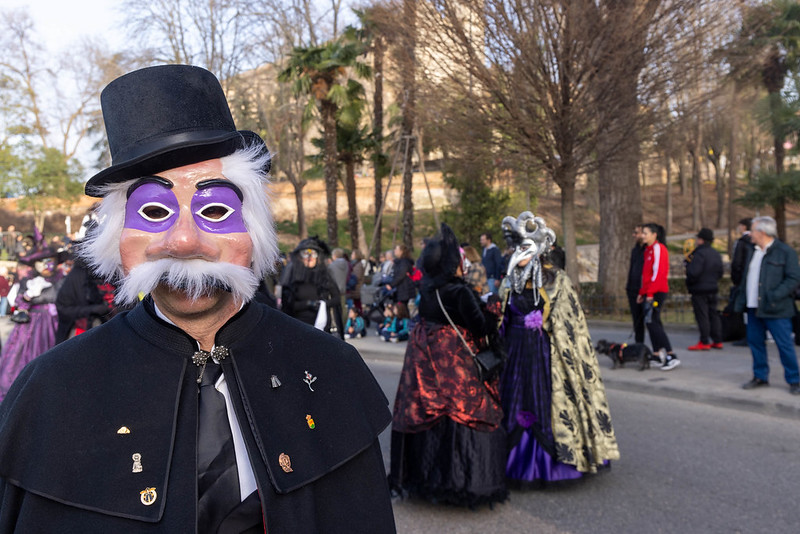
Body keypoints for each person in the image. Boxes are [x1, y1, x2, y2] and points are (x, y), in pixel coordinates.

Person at [0, 65, 395, 532]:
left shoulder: (331, 369)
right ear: (119, 237)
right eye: (154, 211)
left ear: (252, 229)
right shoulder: (52, 389)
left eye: (215, 210)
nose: (184, 242)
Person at [389, 223, 507, 508]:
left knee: (432, 417)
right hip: (456, 365)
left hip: (428, 364)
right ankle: (459, 481)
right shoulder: (459, 291)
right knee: (461, 414)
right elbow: (482, 327)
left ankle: (428, 478)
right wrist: (494, 308)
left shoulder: (428, 289)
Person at [499, 211, 619, 487]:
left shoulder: (557, 280)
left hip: (547, 354)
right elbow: (500, 317)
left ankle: (555, 462)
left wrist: (545, 324)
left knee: (545, 403)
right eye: (515, 247)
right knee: (514, 402)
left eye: (524, 247)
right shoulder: (509, 280)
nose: (517, 253)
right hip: (514, 354)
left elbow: (571, 324)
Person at [733, 216, 800, 395]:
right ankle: (760, 376)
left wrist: (774, 295)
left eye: (753, 230)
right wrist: (740, 301)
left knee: (784, 345)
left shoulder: (785, 252)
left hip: (776, 308)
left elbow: (793, 278)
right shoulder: (752, 251)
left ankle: (794, 379)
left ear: (762, 232)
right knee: (755, 343)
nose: (750, 234)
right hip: (753, 307)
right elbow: (746, 279)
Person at [0, 257, 63, 401]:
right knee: (19, 353)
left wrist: (35, 298)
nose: (46, 267)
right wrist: (27, 297)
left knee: (46, 351)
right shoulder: (27, 281)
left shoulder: (58, 281)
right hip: (29, 323)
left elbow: (56, 297)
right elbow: (19, 300)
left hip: (49, 322)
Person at [277, 237, 345, 338]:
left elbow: (336, 298)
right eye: (305, 254)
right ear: (300, 257)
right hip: (299, 328)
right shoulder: (293, 277)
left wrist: (324, 304)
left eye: (313, 254)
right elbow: (288, 305)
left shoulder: (325, 276)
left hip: (322, 328)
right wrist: (308, 304)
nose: (310, 257)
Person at [638, 223, 680, 370]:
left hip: (657, 292)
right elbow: (646, 275)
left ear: (654, 235)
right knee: (651, 322)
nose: (643, 236)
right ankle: (657, 354)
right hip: (649, 292)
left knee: (653, 322)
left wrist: (650, 293)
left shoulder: (658, 248)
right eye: (642, 233)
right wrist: (642, 292)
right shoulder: (648, 250)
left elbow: (658, 273)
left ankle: (671, 355)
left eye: (645, 233)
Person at [685, 228, 723, 350]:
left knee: (702, 315)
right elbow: (720, 272)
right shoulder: (716, 254)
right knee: (713, 314)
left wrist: (689, 281)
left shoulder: (699, 253)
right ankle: (717, 340)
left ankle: (704, 340)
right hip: (713, 287)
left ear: (701, 240)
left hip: (699, 289)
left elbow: (693, 272)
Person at [729, 218, 754, 346]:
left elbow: (737, 263)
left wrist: (736, 279)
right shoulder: (754, 242)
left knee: (745, 309)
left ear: (744, 227)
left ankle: (747, 335)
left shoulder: (742, 242)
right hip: (753, 279)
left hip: (743, 280)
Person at [625, 225, 646, 344]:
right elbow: (632, 269)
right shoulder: (635, 250)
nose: (634, 235)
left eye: (636, 233)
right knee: (636, 320)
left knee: (650, 321)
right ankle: (639, 344)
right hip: (632, 289)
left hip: (643, 289)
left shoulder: (648, 250)